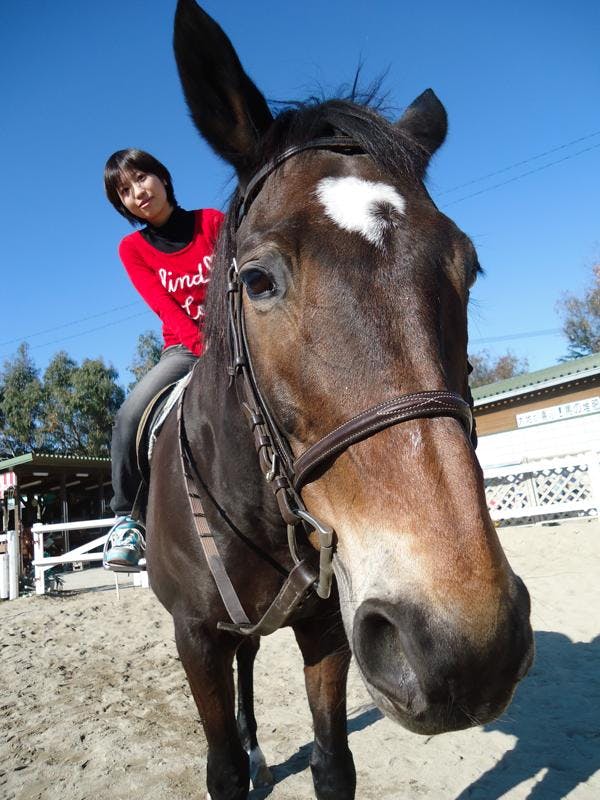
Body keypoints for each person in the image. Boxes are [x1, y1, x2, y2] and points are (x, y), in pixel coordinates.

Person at [102, 148, 224, 571]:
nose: (137, 192)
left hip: (239, 338)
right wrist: (202, 347)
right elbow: (165, 308)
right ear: (122, 205)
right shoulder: (132, 248)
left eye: (141, 178)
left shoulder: (211, 222)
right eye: (124, 191)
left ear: (162, 177)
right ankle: (127, 521)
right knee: (127, 416)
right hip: (185, 351)